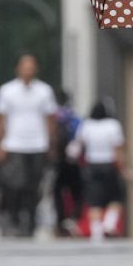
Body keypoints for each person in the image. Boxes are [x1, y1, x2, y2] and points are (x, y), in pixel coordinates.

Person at [0, 54, 58, 237]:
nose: (28, 70)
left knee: (34, 185)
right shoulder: (7, 91)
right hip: (14, 144)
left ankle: (31, 221)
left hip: (37, 145)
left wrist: (51, 144)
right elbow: (0, 120)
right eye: (25, 66)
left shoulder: (45, 91)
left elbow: (50, 119)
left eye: (31, 66)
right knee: (14, 184)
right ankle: (13, 218)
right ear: (18, 68)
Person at [69, 99, 125, 242]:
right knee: (115, 197)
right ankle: (109, 224)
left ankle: (96, 232)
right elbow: (117, 148)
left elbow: (78, 146)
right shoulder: (113, 125)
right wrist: (121, 166)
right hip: (109, 164)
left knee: (94, 200)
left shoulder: (86, 125)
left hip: (92, 165)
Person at [50, 88, 84, 237]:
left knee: (57, 191)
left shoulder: (54, 117)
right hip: (72, 161)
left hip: (57, 161)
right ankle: (73, 218)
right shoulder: (74, 117)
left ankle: (60, 221)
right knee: (76, 191)